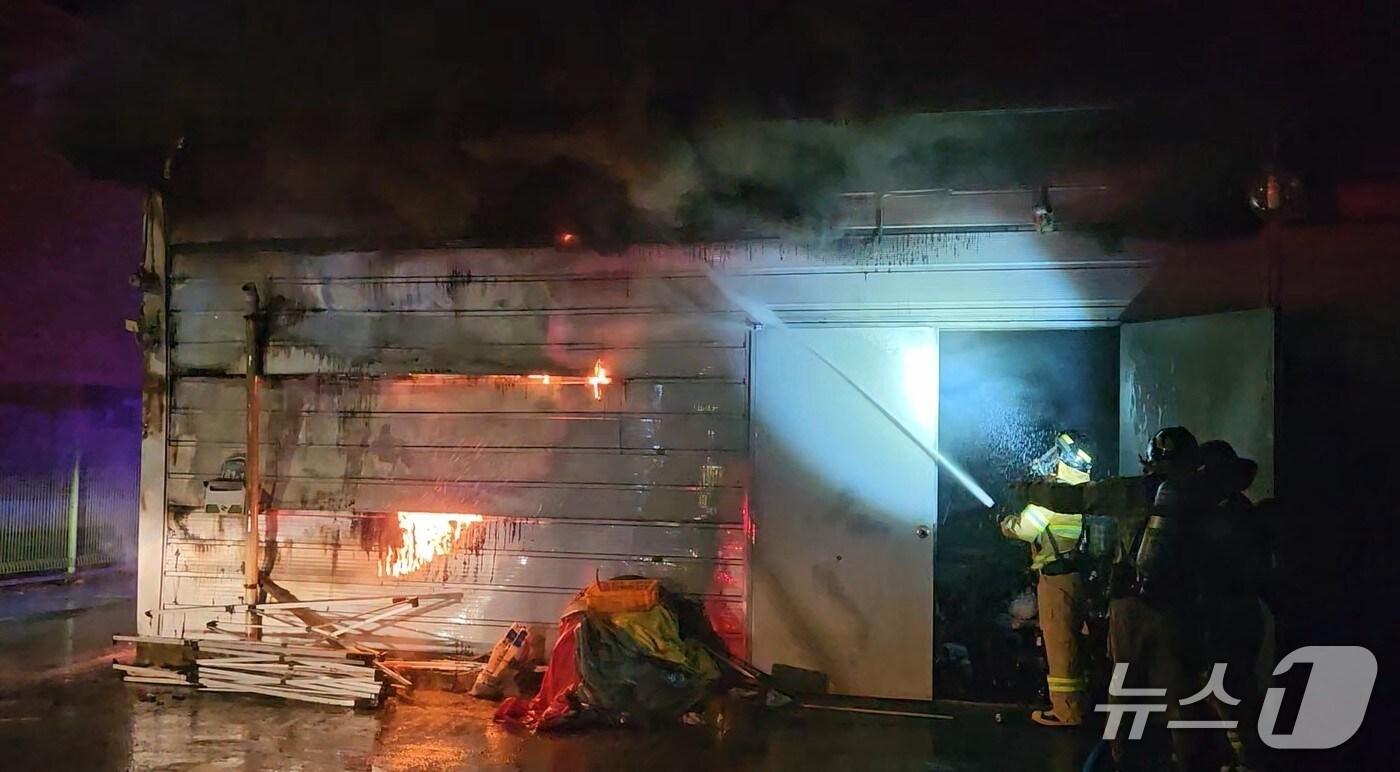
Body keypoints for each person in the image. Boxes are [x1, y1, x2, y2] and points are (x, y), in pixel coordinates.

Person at [1018, 426, 1209, 771]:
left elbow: (1075, 498)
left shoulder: (1129, 490)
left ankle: (1122, 757)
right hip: (1178, 606)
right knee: (1180, 689)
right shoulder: (1201, 497)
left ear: (1150, 459)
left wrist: (1030, 489)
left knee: (1125, 685)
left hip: (1129, 606)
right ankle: (1188, 759)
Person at [1000, 431, 1094, 727]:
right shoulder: (1083, 489)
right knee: (1074, 644)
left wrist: (1005, 522)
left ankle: (1066, 712)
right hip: (1076, 577)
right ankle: (1078, 705)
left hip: (1056, 580)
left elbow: (1025, 529)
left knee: (1059, 644)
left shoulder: (1053, 495)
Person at [1192, 440, 1270, 771]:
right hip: (1244, 612)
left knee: (1225, 689)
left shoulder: (1223, 517)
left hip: (1226, 614)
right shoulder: (1241, 509)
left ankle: (1248, 759)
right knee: (1238, 687)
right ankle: (1242, 757)